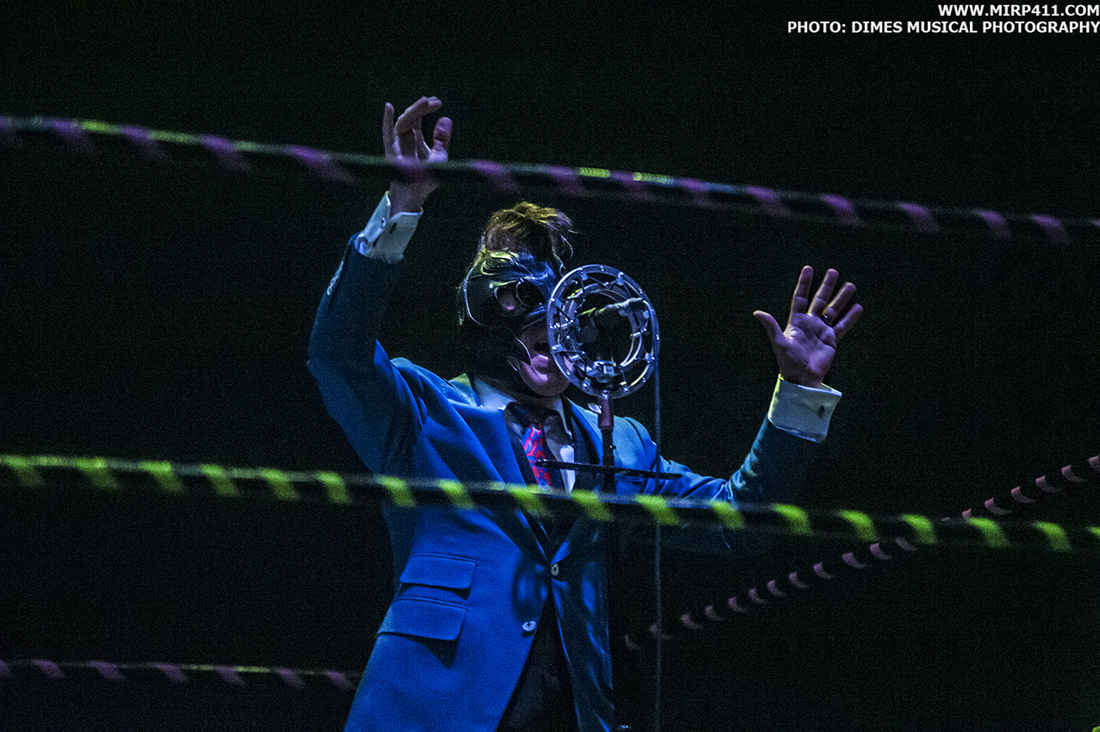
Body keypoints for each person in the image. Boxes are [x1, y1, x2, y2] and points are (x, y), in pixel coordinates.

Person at [308, 96, 862, 732]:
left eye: (560, 311)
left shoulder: (621, 443)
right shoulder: (425, 409)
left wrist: (798, 390)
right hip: (434, 712)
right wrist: (402, 204)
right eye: (524, 303)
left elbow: (739, 523)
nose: (549, 325)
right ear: (485, 309)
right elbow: (338, 354)